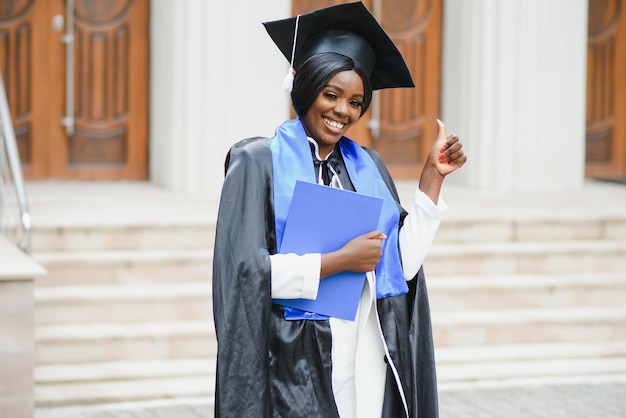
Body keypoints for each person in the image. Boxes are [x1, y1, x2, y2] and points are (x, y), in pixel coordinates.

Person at [212, 2, 466, 417]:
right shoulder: (257, 162)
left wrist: (432, 178)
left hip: (367, 355)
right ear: (306, 87)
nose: (342, 111)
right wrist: (337, 262)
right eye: (331, 94)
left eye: (355, 101)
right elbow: (242, 277)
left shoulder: (367, 166)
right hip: (294, 362)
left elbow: (400, 267)